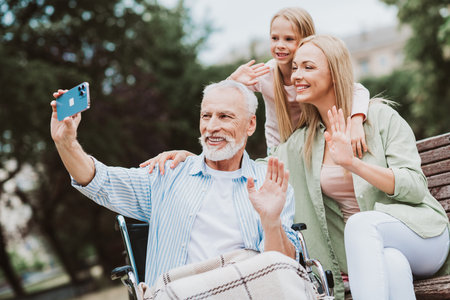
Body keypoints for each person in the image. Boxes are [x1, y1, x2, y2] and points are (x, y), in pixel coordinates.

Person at [50, 80, 302, 289]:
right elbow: (100, 181)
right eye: (206, 116)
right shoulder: (167, 175)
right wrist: (66, 143)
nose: (212, 127)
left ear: (251, 125)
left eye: (225, 116)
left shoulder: (270, 184)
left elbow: (283, 270)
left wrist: (270, 222)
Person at [273, 34, 449, 300]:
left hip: (423, 236)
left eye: (308, 67)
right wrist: (193, 158)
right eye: (295, 67)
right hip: (376, 253)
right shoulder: (303, 142)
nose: (297, 74)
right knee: (393, 264)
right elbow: (257, 166)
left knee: (360, 225)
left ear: (335, 73)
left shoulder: (379, 117)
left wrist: (352, 163)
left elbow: (414, 187)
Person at [140, 7, 370, 174]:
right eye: (274, 38)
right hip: (279, 147)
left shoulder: (314, 74)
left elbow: (357, 90)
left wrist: (357, 120)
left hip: (311, 140)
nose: (280, 45)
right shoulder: (266, 74)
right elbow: (221, 100)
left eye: (289, 39)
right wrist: (233, 80)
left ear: (305, 42)